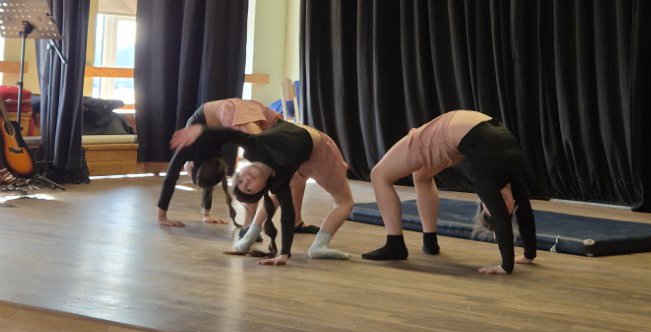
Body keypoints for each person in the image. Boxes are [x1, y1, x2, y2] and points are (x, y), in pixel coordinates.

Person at [361, 110, 537, 275]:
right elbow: (523, 211)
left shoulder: (486, 178)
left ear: (484, 204)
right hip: (461, 134)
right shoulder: (511, 175)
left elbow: (504, 218)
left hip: (450, 135)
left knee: (379, 175)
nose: (502, 205)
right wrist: (529, 255)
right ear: (513, 204)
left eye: (496, 207)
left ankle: (395, 244)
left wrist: (506, 267)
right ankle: (430, 242)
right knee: (421, 175)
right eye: (505, 207)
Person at [169, 119, 354, 264]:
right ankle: (319, 246)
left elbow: (228, 134)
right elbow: (287, 215)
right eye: (248, 187)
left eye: (239, 180)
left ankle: (250, 234)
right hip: (320, 153)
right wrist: (284, 254)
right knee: (345, 202)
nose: (246, 180)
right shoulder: (280, 179)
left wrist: (200, 129)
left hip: (308, 150)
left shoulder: (254, 148)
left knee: (279, 193)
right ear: (262, 186)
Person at [156, 98, 317, 232]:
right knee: (286, 162)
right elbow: (207, 177)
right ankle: (295, 222)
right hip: (246, 109)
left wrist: (162, 217)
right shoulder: (213, 160)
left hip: (232, 111)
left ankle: (248, 227)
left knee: (262, 157)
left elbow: (170, 178)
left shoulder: (187, 145)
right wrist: (206, 214)